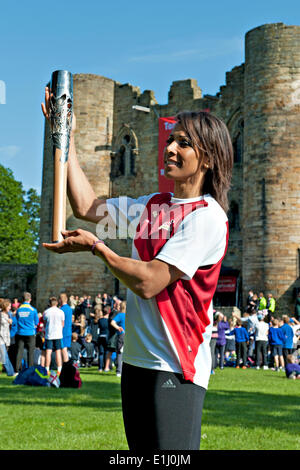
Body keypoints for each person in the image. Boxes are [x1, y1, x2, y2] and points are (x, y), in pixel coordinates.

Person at [42, 96, 233, 450]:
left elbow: (150, 281)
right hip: (135, 362)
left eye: (184, 143)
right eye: (171, 139)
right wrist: (63, 137)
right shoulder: (151, 206)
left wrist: (98, 248)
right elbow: (85, 206)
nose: (170, 148)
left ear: (207, 158)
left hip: (176, 365)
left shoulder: (207, 217)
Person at [15, 292, 39, 372]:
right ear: (30, 299)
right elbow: (36, 322)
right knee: (31, 352)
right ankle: (30, 369)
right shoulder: (33, 310)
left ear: (22, 299)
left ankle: (17, 369)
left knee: (19, 351)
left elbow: (17, 319)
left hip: (20, 332)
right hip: (30, 333)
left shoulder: (18, 310)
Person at [43, 297, 65, 375]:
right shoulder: (61, 312)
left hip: (49, 334)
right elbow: (63, 324)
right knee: (58, 352)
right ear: (57, 303)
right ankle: (59, 369)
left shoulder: (46, 312)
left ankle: (47, 369)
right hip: (58, 334)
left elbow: (45, 323)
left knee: (48, 352)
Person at [110, 300, 126, 377]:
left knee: (119, 353)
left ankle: (119, 371)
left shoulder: (120, 315)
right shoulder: (131, 315)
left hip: (122, 335)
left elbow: (112, 322)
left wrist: (117, 327)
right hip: (129, 335)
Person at [0, 299, 15, 376]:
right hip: (1, 339)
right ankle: (10, 372)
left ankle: (11, 372)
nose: (10, 307)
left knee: (4, 356)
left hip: (5, 339)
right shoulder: (1, 315)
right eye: (9, 306)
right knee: (4, 357)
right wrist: (8, 320)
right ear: (5, 306)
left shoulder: (8, 315)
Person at [59, 293, 73, 363]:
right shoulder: (70, 309)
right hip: (68, 331)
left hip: (62, 331)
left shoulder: (61, 310)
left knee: (63, 350)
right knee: (65, 349)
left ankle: (65, 365)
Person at [98, 306, 110, 372]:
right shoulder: (109, 321)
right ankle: (106, 367)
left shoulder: (100, 320)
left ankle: (100, 368)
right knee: (106, 352)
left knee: (101, 353)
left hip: (101, 336)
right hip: (107, 336)